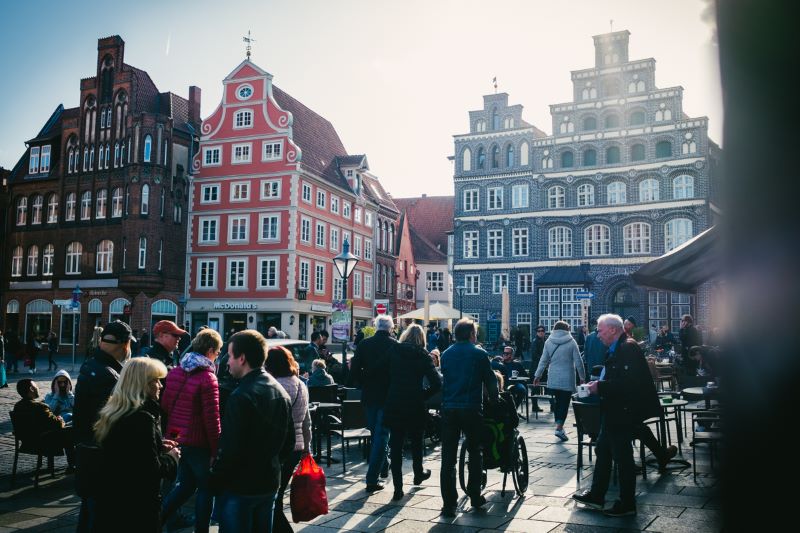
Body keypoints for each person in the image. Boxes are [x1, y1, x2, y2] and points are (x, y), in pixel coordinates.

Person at [572, 314, 661, 517]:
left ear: (613, 329)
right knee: (603, 452)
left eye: (600, 330)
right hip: (614, 411)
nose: (598, 334)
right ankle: (597, 495)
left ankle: (627, 503)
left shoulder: (627, 348)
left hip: (623, 412)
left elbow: (629, 384)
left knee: (623, 458)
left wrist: (599, 386)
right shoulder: (616, 348)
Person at [211, 330, 294, 532]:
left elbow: (232, 447)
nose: (227, 362)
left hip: (241, 486)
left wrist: (215, 479)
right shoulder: (279, 389)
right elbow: (289, 441)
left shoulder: (241, 395)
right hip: (268, 480)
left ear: (242, 358)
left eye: (230, 356)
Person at [92, 358, 180, 532]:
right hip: (137, 507)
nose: (161, 386)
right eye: (156, 380)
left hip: (112, 502)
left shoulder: (115, 412)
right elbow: (150, 471)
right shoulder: (142, 418)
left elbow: (128, 452)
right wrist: (171, 458)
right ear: (143, 384)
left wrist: (156, 445)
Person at [160, 328, 223, 533]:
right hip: (198, 441)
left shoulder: (176, 371)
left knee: (185, 484)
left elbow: (167, 405)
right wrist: (215, 450)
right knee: (206, 487)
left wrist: (174, 434)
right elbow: (212, 419)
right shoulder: (208, 378)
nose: (218, 356)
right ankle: (202, 530)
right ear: (211, 350)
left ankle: (157, 520)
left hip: (177, 436)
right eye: (218, 352)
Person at [73, 320, 133, 532]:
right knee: (100, 514)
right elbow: (111, 420)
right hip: (104, 453)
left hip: (86, 448)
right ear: (125, 345)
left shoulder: (90, 364)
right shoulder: (110, 375)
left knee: (89, 508)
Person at [439, 318, 499, 517]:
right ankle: (475, 494)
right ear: (472, 334)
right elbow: (490, 381)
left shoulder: (446, 355)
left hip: (449, 408)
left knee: (448, 457)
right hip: (472, 408)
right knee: (475, 451)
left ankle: (448, 503)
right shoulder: (479, 354)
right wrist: (494, 400)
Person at [384, 324, 442, 501]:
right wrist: (423, 395)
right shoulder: (422, 355)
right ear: (422, 339)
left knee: (396, 444)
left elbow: (383, 373)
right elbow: (437, 383)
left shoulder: (393, 351)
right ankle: (418, 473)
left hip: (394, 401)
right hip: (415, 403)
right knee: (417, 440)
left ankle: (397, 488)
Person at [265, 345, 311, 533]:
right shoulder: (301, 384)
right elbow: (307, 419)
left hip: (281, 446)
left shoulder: (276, 386)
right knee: (278, 493)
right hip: (297, 446)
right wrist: (307, 446)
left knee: (272, 497)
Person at [349, 315, 396, 492]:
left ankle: (384, 466)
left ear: (376, 326)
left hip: (369, 396)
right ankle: (372, 478)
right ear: (390, 328)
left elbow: (354, 372)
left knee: (377, 434)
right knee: (381, 436)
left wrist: (363, 383)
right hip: (388, 396)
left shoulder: (364, 344)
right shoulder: (394, 345)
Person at [533, 321, 586, 441]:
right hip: (567, 376)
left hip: (553, 376)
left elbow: (543, 360)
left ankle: (559, 426)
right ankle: (559, 427)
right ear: (567, 329)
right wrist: (582, 377)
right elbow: (578, 361)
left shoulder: (548, 341)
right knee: (564, 403)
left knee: (557, 402)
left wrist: (537, 375)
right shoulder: (571, 342)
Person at [13, 378, 75, 470]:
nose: (38, 388)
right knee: (70, 431)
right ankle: (72, 465)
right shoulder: (40, 407)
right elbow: (57, 425)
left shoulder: (17, 406)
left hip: (27, 442)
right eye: (36, 386)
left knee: (68, 417)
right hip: (44, 442)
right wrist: (60, 419)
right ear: (31, 389)